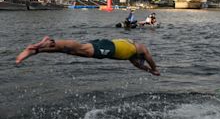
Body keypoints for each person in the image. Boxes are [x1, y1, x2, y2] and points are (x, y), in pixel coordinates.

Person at [16, 36, 160, 76]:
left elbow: (141, 66)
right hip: (110, 47)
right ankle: (49, 42)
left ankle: (38, 50)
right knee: (81, 48)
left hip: (107, 48)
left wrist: (150, 71)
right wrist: (155, 68)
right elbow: (148, 56)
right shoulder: (138, 47)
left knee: (73, 51)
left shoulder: (132, 57)